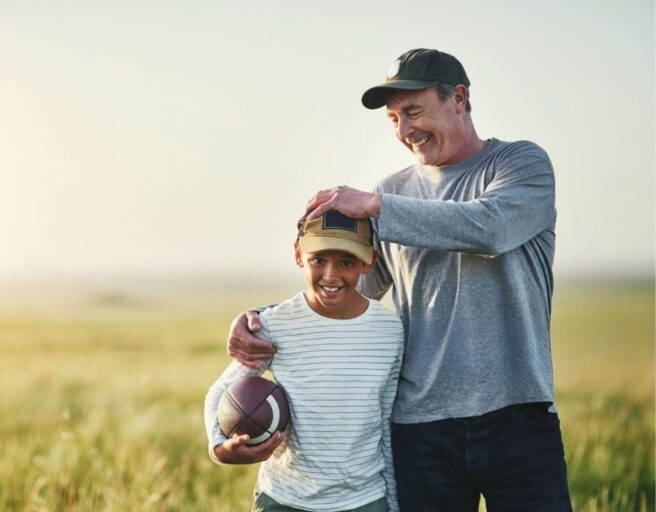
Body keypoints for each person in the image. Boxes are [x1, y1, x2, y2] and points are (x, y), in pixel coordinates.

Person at [228, 48, 573, 511]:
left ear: (459, 98)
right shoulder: (393, 190)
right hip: (421, 428)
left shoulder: (518, 165)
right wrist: (262, 319)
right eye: (394, 118)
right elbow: (353, 289)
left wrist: (373, 208)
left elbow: (488, 229)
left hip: (517, 417)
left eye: (414, 111)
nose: (405, 130)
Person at [205, 211, 404, 512]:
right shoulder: (272, 325)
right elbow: (221, 392)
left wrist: (393, 503)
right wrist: (220, 449)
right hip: (285, 499)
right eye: (318, 260)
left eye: (346, 262)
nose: (331, 275)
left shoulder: (390, 332)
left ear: (369, 262)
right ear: (298, 254)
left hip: (364, 500)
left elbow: (386, 423)